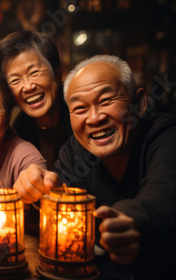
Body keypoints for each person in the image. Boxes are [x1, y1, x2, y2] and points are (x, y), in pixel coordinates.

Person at [13, 54, 176, 278]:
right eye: (80, 108)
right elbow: (60, 216)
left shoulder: (165, 135)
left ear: (139, 103)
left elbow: (165, 195)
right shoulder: (73, 153)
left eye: (106, 101)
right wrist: (37, 196)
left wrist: (134, 221)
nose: (94, 118)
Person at [0, 30, 72, 170]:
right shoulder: (20, 130)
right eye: (15, 80)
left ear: (57, 73)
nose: (28, 87)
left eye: (34, 73)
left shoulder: (82, 113)